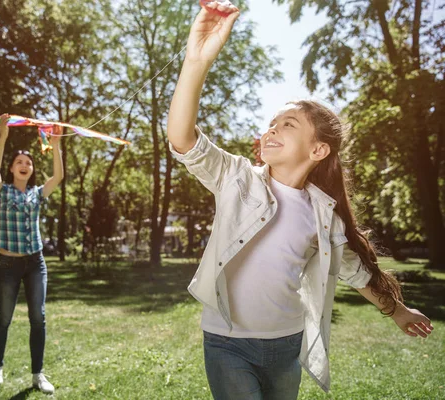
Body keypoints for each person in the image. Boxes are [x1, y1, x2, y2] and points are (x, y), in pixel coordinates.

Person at [166, 2, 433, 399]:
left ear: (318, 150)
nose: (271, 130)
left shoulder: (322, 214)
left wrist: (398, 311)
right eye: (271, 124)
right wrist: (196, 60)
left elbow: (355, 271)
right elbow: (183, 139)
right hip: (226, 342)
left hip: (286, 343)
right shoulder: (236, 178)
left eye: (286, 125)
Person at [0, 113, 63, 394]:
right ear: (11, 169)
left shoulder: (36, 195)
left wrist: (55, 145)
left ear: (32, 170)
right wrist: (3, 135)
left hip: (35, 264)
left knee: (38, 318)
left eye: (28, 163)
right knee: (4, 318)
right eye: (19, 162)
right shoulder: (2, 191)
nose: (24, 165)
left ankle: (38, 375)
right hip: (7, 264)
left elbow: (58, 176)